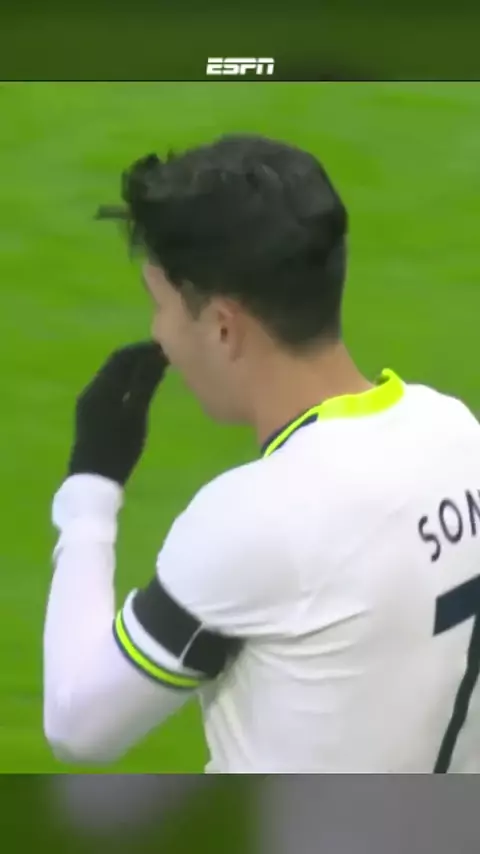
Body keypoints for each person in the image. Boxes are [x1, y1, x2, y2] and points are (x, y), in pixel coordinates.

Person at [43, 135, 480, 772]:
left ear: (223, 327)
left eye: (161, 306)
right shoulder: (457, 432)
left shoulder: (254, 520)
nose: (159, 333)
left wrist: (91, 487)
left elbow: (77, 723)